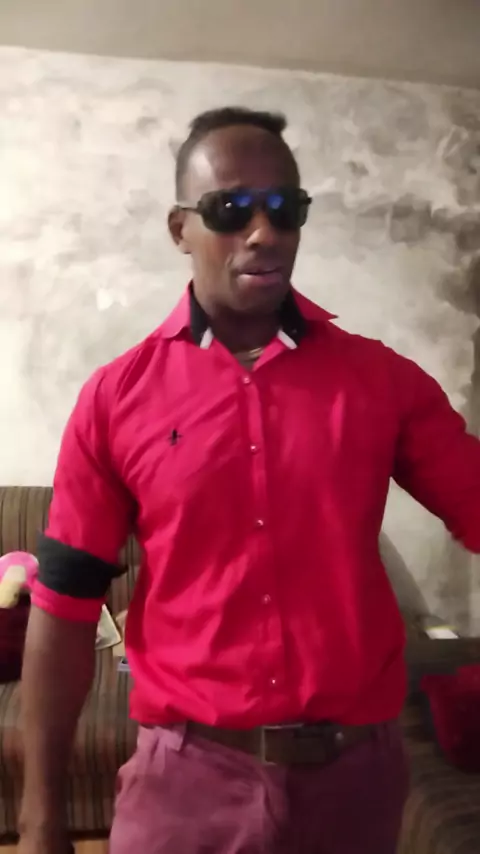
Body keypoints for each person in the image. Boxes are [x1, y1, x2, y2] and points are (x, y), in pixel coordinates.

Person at [19, 106, 480, 854]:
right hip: (185, 787)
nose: (263, 233)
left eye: (284, 209)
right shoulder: (115, 399)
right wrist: (41, 818)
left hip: (354, 787)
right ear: (180, 229)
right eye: (230, 209)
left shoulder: (382, 381)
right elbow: (66, 608)